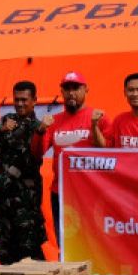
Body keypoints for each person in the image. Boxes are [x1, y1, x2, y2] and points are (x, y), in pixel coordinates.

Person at [0, 82, 47, 266]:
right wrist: (1, 129)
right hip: (4, 204)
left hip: (25, 204)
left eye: (24, 100)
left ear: (34, 101)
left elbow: (25, 164)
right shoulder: (8, 120)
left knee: (31, 256)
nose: (19, 104)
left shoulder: (38, 128)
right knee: (4, 252)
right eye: (16, 99)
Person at [38, 71, 95, 251]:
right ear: (61, 92)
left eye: (76, 88)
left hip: (89, 193)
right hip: (61, 193)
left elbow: (112, 154)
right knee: (66, 245)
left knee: (92, 243)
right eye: (67, 89)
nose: (71, 93)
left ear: (86, 90)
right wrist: (40, 130)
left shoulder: (97, 118)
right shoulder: (54, 121)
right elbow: (37, 152)